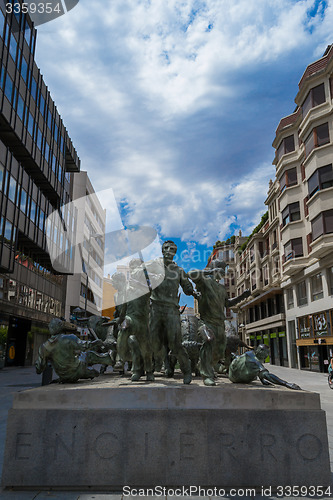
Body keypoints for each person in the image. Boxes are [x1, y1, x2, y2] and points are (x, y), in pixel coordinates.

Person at [188, 260, 250, 386]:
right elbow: (190, 274)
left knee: (220, 351)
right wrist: (210, 271)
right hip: (206, 321)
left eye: (224, 270)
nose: (223, 272)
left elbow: (227, 303)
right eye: (221, 269)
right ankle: (207, 375)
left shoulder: (222, 288)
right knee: (209, 340)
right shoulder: (204, 282)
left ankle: (203, 365)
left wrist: (242, 296)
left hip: (220, 323)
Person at [146, 240, 199, 384]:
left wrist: (192, 292)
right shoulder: (153, 266)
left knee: (176, 343)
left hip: (171, 310)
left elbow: (187, 287)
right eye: (166, 248)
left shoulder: (178, 271)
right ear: (162, 250)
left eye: (172, 249)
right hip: (155, 308)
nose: (169, 251)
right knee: (153, 342)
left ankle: (186, 371)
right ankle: (149, 371)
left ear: (175, 253)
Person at [228, 344, 301, 390]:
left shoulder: (249, 353)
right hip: (237, 379)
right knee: (257, 372)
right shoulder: (256, 362)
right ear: (260, 351)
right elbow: (268, 376)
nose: (267, 355)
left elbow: (236, 356)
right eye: (267, 353)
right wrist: (286, 384)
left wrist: (262, 380)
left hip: (231, 374)